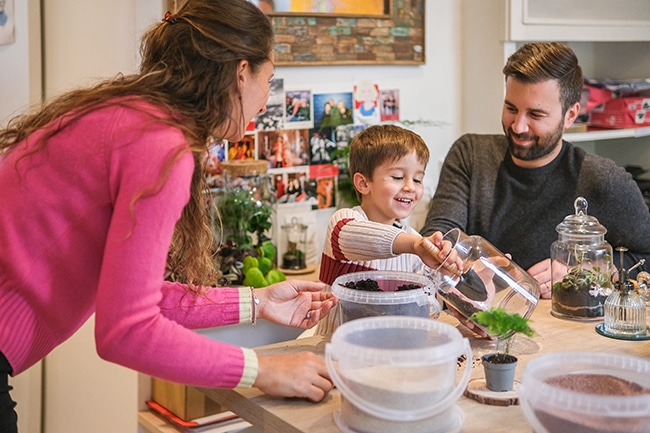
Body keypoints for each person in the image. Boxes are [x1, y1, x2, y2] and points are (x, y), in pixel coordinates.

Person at [0, 1, 338, 431]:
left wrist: (258, 301)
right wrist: (263, 370)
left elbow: (136, 298)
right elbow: (126, 331)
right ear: (240, 73)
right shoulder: (160, 147)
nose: (264, 100)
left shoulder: (132, 115)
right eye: (267, 81)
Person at [420, 42, 650, 300]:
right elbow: (440, 232)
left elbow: (646, 258)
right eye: (511, 108)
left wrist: (586, 271)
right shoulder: (470, 154)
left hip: (565, 329)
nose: (518, 126)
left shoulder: (602, 180)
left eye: (536, 115)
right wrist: (446, 254)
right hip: (479, 319)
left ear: (570, 115)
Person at [320, 124, 459, 286]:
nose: (410, 187)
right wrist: (413, 245)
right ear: (363, 183)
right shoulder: (344, 222)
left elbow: (424, 296)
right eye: (398, 177)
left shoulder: (414, 240)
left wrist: (442, 268)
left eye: (417, 180)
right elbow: (356, 236)